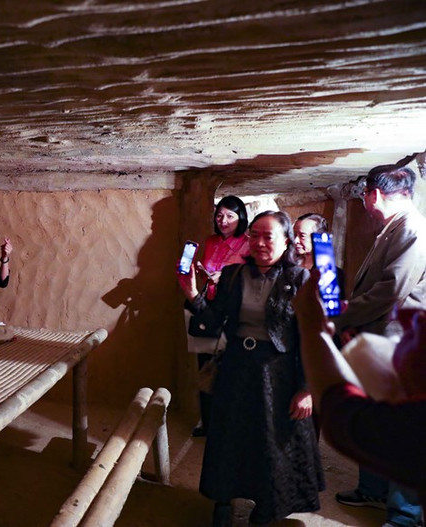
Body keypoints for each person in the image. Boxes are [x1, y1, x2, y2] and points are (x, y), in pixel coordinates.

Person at [178, 211, 323, 526]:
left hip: (278, 374)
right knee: (229, 437)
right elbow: (213, 322)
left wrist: (306, 388)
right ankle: (223, 501)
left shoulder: (299, 279)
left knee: (270, 441)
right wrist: (192, 294)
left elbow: (311, 339)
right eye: (253, 235)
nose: (258, 242)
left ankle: (266, 505)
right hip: (236, 369)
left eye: (267, 236)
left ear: (286, 242)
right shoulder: (232, 275)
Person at [331, 166, 426, 527]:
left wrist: (344, 317)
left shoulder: (412, 229)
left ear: (373, 195)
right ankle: (372, 488)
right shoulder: (393, 229)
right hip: (382, 338)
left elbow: (391, 290)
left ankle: (403, 515)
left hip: (400, 344)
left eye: (364, 195)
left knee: (399, 428)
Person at [294, 269, 426, 512]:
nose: (401, 339)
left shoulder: (416, 424)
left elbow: (343, 413)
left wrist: (312, 327)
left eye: (416, 331)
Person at [187, 195, 250, 437]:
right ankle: (207, 421)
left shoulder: (246, 244)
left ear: (241, 218)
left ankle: (229, 425)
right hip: (209, 308)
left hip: (234, 311)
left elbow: (248, 276)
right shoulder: (211, 241)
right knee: (205, 366)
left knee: (231, 369)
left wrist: (224, 277)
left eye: (230, 216)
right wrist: (205, 274)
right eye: (219, 215)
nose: (223, 220)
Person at [293, 212, 345, 299]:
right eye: (294, 234)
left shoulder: (331, 274)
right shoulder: (286, 266)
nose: (295, 241)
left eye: (302, 236)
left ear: (318, 237)